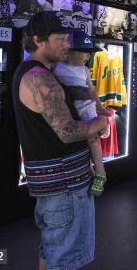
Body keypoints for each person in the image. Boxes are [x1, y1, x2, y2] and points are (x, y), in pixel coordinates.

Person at [13, 11, 108, 270]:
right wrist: (101, 123)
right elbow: (67, 132)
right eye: (61, 39)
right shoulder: (40, 78)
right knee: (66, 259)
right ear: (39, 40)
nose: (68, 44)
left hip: (54, 186)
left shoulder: (33, 72)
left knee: (51, 250)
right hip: (65, 187)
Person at [53, 30, 113, 197]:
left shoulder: (85, 70)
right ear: (70, 52)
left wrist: (100, 108)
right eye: (85, 52)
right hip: (70, 112)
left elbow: (92, 91)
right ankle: (93, 174)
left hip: (87, 110)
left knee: (93, 141)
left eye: (89, 53)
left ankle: (101, 174)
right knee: (78, 147)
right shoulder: (57, 67)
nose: (88, 56)